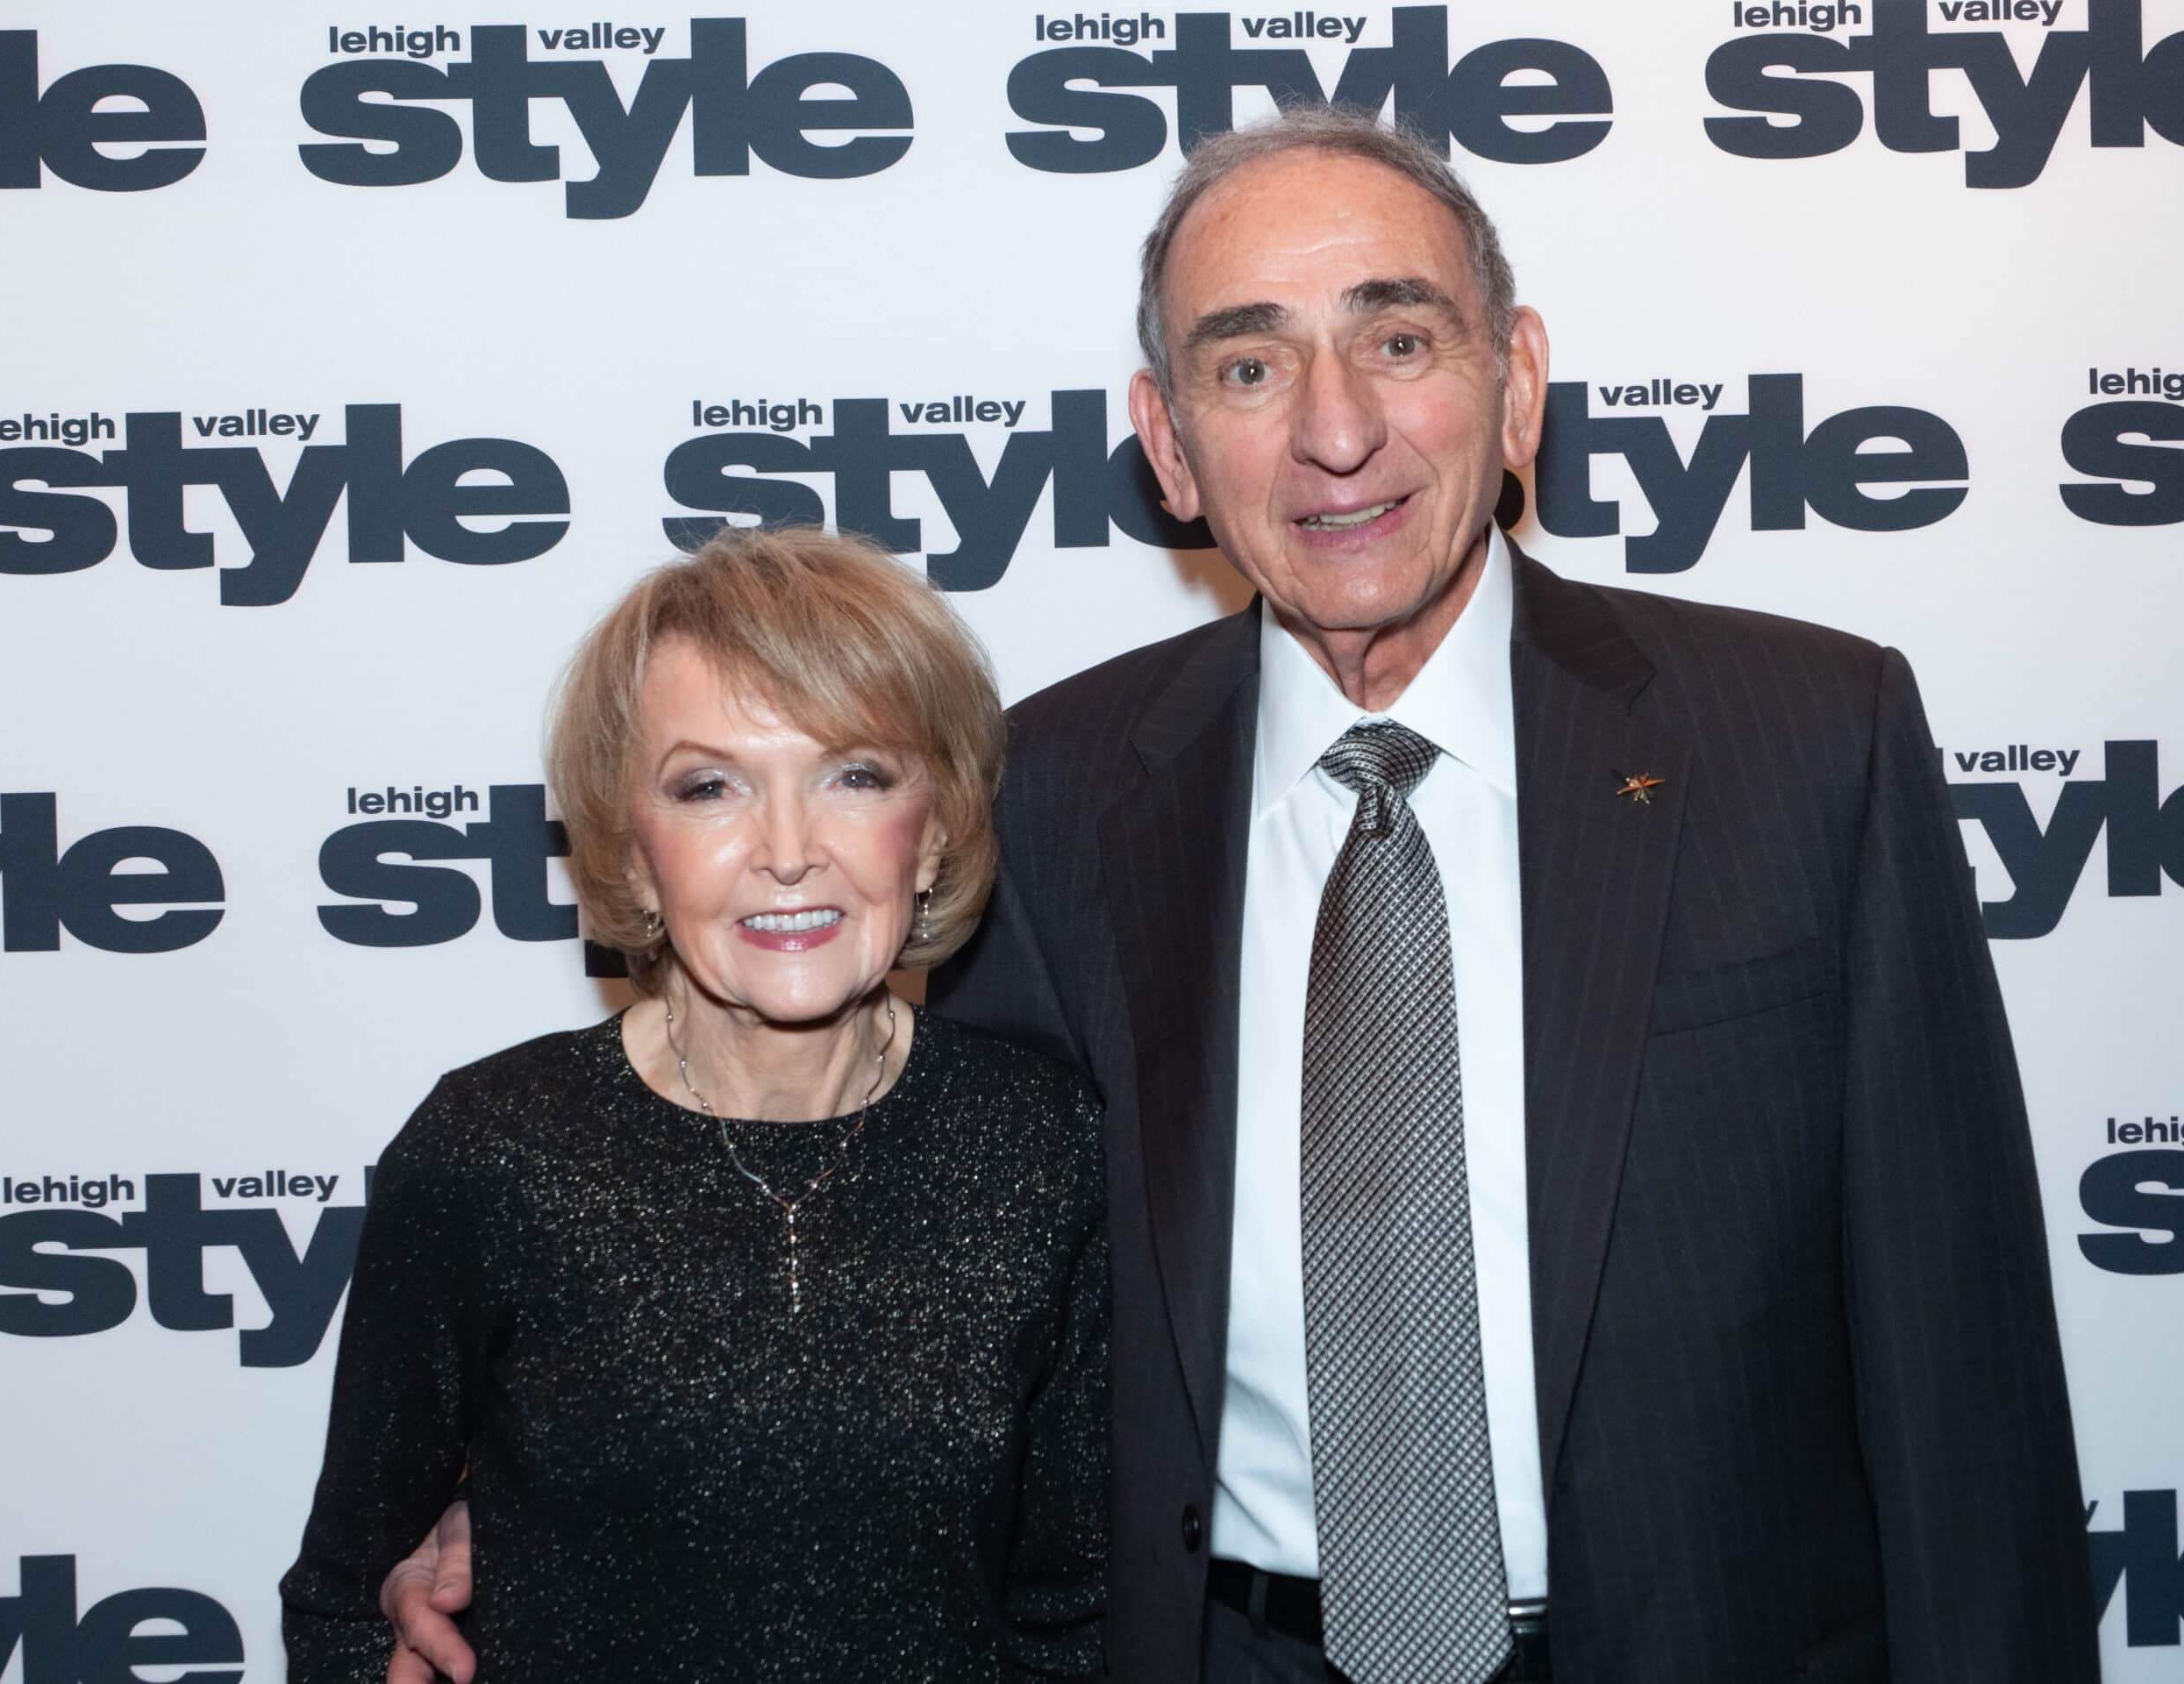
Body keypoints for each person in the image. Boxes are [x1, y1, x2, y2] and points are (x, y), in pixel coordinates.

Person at [382, 109, 2098, 1683]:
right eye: (1250, 367)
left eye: (1397, 341)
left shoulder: (1804, 740)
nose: (1335, 430)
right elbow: (847, 1211)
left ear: (1513, 388)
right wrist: (534, 1494)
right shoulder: (1042, 794)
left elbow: (1959, 1364)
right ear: (1170, 445)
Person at [280, 527, 1108, 1681]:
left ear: (937, 833)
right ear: (631, 851)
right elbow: (346, 1605)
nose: (786, 852)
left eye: (853, 774)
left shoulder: (1039, 1146)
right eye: (710, 787)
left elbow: (1074, 1619)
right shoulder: (495, 1151)